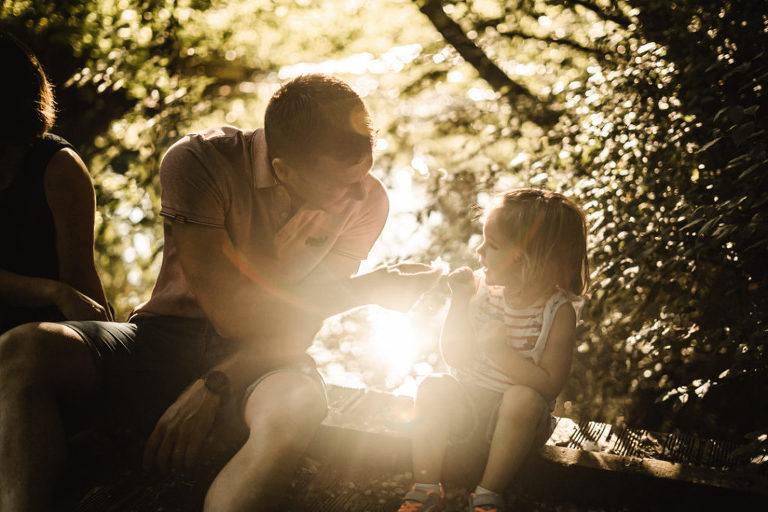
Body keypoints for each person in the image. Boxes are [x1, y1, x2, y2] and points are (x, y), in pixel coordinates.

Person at [0, 73, 442, 512]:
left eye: (362, 176)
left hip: (266, 355)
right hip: (161, 337)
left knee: (298, 406)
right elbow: (230, 313)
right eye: (338, 184)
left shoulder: (368, 199)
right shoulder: (198, 161)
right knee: (25, 348)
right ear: (283, 169)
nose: (356, 193)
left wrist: (218, 382)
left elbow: (303, 319)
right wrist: (364, 290)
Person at [397, 188, 589, 512]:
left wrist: (501, 353)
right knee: (432, 385)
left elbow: (550, 385)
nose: (479, 250)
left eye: (492, 245)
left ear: (531, 260)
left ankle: (487, 494)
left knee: (523, 399)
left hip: (520, 424)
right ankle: (425, 486)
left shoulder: (558, 312)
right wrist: (458, 303)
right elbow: (455, 358)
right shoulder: (480, 290)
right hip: (469, 410)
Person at [0, 31, 111, 333]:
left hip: (44, 337)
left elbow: (81, 284)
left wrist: (115, 351)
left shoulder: (58, 167)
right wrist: (54, 292)